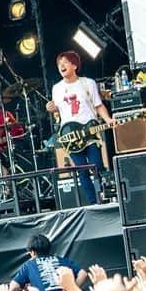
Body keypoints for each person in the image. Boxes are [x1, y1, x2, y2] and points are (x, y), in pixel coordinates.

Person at [46, 50, 116, 204]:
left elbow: (98, 105)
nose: (61, 66)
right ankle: (94, 203)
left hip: (89, 131)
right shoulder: (56, 88)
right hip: (69, 134)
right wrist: (52, 109)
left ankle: (104, 196)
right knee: (82, 171)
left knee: (97, 165)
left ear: (75, 65)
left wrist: (108, 120)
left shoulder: (88, 83)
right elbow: (57, 112)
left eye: (65, 63)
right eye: (59, 64)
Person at [11, 234, 87, 291]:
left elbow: (13, 287)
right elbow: (83, 273)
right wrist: (73, 290)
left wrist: (27, 289)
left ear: (33, 252)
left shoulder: (29, 265)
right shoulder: (61, 260)